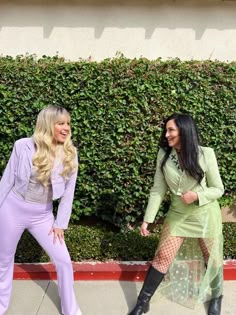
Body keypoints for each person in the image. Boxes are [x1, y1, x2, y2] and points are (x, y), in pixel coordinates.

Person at [128, 113, 224, 315]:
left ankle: (216, 297)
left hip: (205, 215)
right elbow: (158, 189)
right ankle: (142, 302)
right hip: (178, 215)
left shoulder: (206, 153)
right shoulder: (164, 155)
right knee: (163, 255)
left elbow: (218, 189)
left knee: (212, 258)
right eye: (166, 129)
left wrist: (197, 196)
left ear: (184, 131)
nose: (167, 134)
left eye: (171, 130)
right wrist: (148, 219)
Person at [0, 105, 82, 315]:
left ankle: (71, 310)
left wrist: (60, 224)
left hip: (43, 215)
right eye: (60, 123)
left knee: (63, 260)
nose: (66, 128)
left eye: (68, 123)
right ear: (47, 124)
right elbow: (7, 181)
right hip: (12, 209)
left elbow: (69, 194)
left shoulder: (70, 154)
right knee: (3, 260)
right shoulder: (22, 146)